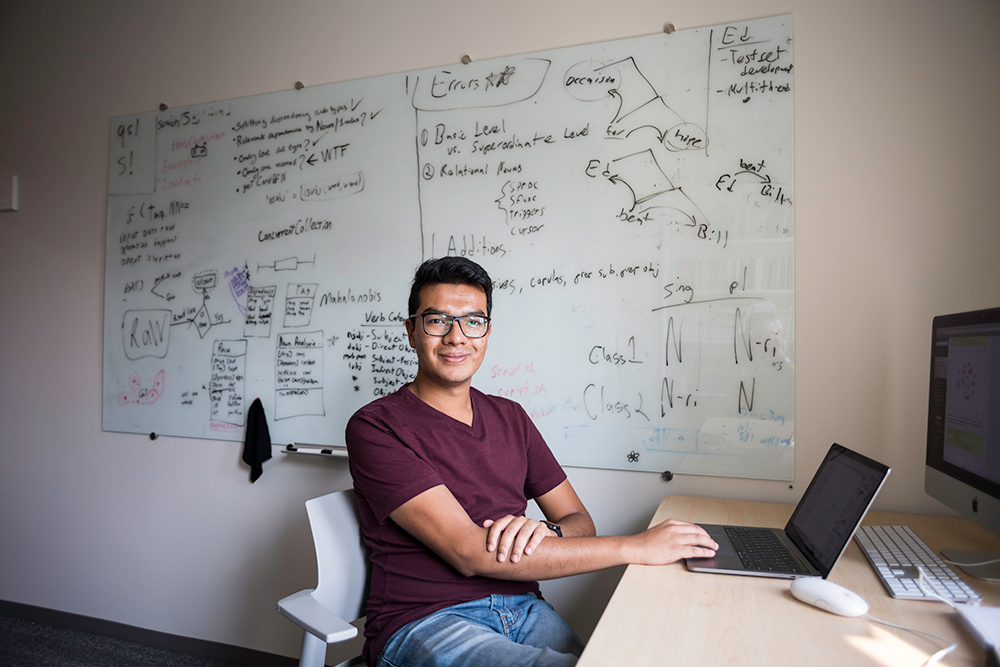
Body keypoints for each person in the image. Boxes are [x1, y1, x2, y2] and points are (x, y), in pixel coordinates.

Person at [346, 256, 718, 667]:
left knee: (618, 656)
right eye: (438, 321)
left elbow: (578, 518)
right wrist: (637, 548)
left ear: (487, 333)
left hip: (522, 607)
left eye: (473, 321)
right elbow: (469, 554)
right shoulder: (375, 427)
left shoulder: (511, 417)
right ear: (411, 332)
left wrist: (545, 530)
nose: (457, 337)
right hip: (425, 621)